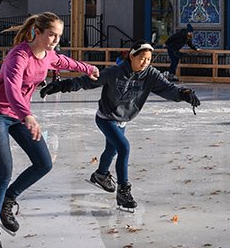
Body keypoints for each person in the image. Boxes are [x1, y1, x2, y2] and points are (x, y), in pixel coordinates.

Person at [0, 12, 99, 248]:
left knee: (44, 163)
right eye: (51, 34)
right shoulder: (19, 55)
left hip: (20, 116)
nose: (55, 40)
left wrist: (88, 68)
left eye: (58, 36)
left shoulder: (48, 55)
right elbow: (11, 88)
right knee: (4, 171)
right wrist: (27, 115)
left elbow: (64, 62)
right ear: (38, 32)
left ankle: (8, 200)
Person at [40, 40, 199, 211]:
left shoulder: (151, 75)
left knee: (112, 149)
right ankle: (123, 191)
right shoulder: (115, 72)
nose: (145, 63)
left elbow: (168, 89)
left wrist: (184, 94)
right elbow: (88, 81)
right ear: (131, 56)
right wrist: (61, 86)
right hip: (106, 117)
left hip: (123, 119)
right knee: (123, 147)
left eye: (148, 59)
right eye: (141, 59)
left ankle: (100, 174)